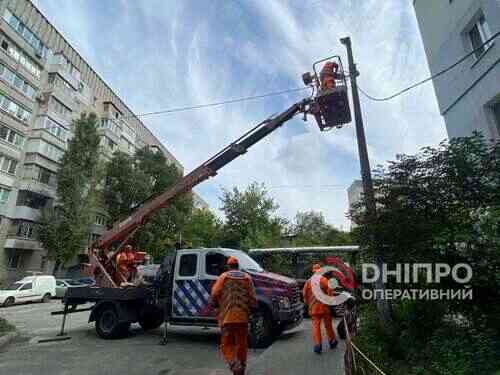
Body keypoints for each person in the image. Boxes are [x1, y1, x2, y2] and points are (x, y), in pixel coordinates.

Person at [210, 256, 257, 375]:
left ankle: (235, 365)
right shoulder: (247, 277)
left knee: (226, 344)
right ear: (238, 266)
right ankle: (241, 368)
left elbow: (215, 293)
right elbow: (252, 298)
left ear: (228, 266)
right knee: (242, 344)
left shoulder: (223, 277)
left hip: (227, 318)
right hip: (242, 318)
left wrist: (215, 305)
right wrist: (252, 311)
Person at [302, 263, 338, 354]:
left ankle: (318, 346)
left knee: (315, 326)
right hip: (324, 307)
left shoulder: (308, 282)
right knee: (328, 325)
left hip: (314, 309)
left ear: (313, 271)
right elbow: (330, 288)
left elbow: (304, 294)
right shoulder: (323, 279)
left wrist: (307, 303)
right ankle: (332, 342)